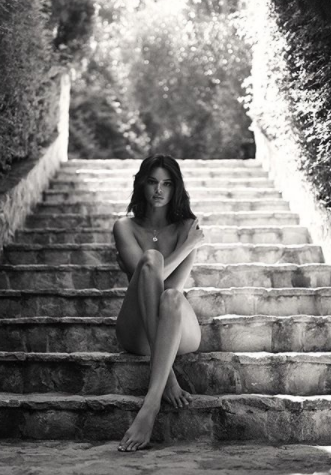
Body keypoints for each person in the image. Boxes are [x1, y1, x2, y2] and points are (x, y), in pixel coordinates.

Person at [113, 154, 205, 452]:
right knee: (150, 261)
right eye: (152, 182)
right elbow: (146, 279)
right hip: (137, 329)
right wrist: (187, 247)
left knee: (172, 296)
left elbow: (171, 289)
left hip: (176, 325)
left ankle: (150, 406)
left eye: (167, 183)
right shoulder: (124, 227)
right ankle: (167, 378)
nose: (159, 190)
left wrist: (186, 242)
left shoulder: (187, 226)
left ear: (176, 187)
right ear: (142, 184)